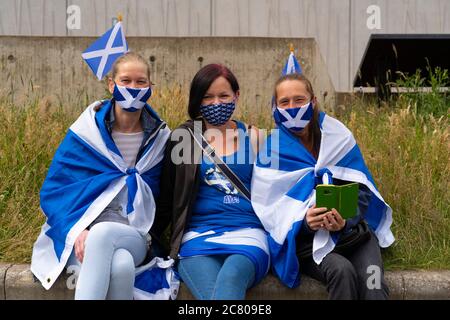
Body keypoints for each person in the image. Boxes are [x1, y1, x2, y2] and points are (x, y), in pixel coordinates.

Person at [31, 52, 175, 300]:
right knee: (121, 267)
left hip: (135, 235)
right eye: (126, 81)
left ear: (151, 87)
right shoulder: (86, 133)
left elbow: (165, 198)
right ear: (111, 84)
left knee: (103, 234)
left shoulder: (160, 139)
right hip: (83, 234)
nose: (133, 88)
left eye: (141, 82)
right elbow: (55, 193)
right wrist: (77, 230)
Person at [251, 73, 394, 300]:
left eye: (299, 100)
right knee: (342, 272)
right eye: (284, 102)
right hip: (307, 244)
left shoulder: (338, 136)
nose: (292, 107)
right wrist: (306, 222)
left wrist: (346, 220)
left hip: (353, 236)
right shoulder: (272, 151)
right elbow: (269, 210)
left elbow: (363, 190)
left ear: (313, 101)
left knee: (373, 283)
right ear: (275, 108)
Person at [151, 63, 269, 300]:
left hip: (248, 235)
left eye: (224, 95)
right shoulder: (184, 139)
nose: (216, 103)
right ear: (198, 101)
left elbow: (276, 194)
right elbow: (167, 195)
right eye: (208, 97)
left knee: (231, 277)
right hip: (197, 238)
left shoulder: (258, 137)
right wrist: (150, 241)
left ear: (237, 96)